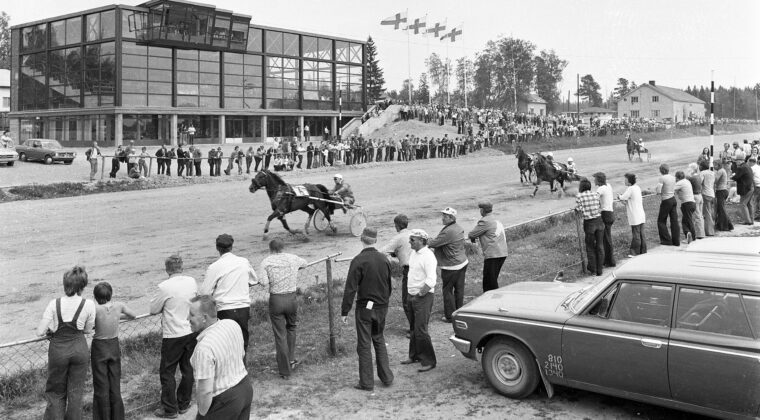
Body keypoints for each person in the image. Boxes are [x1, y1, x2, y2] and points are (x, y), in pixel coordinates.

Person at [36, 265, 96, 420]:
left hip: (58, 350)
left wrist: (51, 328)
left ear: (65, 284)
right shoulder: (88, 304)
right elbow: (88, 330)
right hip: (79, 349)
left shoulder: (53, 304)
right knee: (76, 392)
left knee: (56, 392)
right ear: (82, 286)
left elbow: (39, 332)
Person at [341, 227, 394, 391]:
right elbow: (388, 285)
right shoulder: (384, 259)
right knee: (378, 338)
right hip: (382, 306)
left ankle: (366, 382)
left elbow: (350, 288)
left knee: (364, 344)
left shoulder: (358, 260)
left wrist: (345, 310)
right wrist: (384, 302)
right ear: (376, 240)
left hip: (365, 308)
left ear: (361, 239)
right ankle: (386, 377)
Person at [149, 254, 199, 418]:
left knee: (167, 372)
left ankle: (170, 409)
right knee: (188, 368)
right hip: (190, 330)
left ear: (167, 269)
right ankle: (184, 403)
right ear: (182, 267)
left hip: (172, 335)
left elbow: (154, 309)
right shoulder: (191, 281)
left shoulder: (164, 287)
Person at [188, 295, 253, 420]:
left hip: (224, 400)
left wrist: (202, 414)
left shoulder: (204, 348)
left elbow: (205, 390)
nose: (187, 318)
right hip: (245, 387)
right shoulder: (231, 324)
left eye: (191, 314)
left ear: (204, 318)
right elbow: (241, 355)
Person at [200, 234, 258, 361]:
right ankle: (242, 370)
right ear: (232, 247)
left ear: (217, 248)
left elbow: (205, 292)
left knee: (225, 343)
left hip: (224, 309)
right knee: (242, 341)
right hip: (243, 307)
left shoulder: (214, 267)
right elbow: (254, 280)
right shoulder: (243, 262)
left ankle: (228, 371)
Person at [258, 239, 307, 380]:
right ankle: (291, 359)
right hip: (291, 298)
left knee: (280, 335)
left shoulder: (266, 262)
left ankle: (285, 370)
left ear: (271, 249)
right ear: (283, 247)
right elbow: (305, 263)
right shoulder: (293, 258)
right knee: (292, 327)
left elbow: (264, 282)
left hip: (276, 299)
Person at [91, 282, 136, 420]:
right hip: (113, 345)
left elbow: (89, 324)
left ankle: (103, 417)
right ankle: (117, 416)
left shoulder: (95, 309)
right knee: (115, 382)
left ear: (95, 296)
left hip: (99, 346)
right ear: (111, 294)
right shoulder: (119, 306)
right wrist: (116, 317)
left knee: (101, 384)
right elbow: (132, 315)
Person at [402, 229, 437, 373]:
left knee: (421, 329)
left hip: (422, 297)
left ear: (422, 241)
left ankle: (429, 361)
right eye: (410, 239)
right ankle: (414, 355)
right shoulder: (414, 253)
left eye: (413, 239)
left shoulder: (428, 256)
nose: (410, 242)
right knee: (413, 328)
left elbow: (431, 280)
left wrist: (420, 295)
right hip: (412, 295)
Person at [427, 207, 468, 323]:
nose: (442, 218)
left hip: (451, 265)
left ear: (451, 218)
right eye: (443, 215)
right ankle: (459, 311)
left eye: (445, 216)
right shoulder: (458, 228)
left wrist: (427, 239)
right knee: (459, 289)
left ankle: (450, 316)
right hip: (462, 262)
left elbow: (434, 243)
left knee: (447, 290)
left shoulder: (448, 231)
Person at [380, 214, 413, 338]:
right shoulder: (412, 233)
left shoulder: (398, 238)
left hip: (409, 270)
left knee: (406, 301)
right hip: (418, 268)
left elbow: (382, 251)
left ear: (397, 225)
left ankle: (414, 328)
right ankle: (417, 326)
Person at [467, 201, 509, 293]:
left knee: (489, 281)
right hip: (502, 252)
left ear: (482, 210)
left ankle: (493, 299)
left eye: (480, 209)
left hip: (493, 254)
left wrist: (473, 238)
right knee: (492, 278)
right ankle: (492, 297)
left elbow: (472, 234)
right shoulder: (495, 219)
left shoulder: (484, 221)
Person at [575, 178, 605, 276]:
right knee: (600, 246)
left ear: (581, 187)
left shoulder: (579, 196)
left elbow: (578, 209)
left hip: (589, 223)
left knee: (590, 247)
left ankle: (593, 269)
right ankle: (600, 269)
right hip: (599, 221)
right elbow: (600, 206)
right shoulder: (596, 194)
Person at [617, 173, 646, 257]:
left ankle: (634, 252)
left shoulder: (630, 189)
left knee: (636, 234)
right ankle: (643, 250)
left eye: (625, 180)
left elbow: (623, 197)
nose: (624, 181)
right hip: (640, 213)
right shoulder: (637, 187)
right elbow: (628, 200)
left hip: (635, 214)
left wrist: (619, 196)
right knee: (641, 234)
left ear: (629, 181)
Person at [593, 172, 615, 267]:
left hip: (605, 214)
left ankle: (610, 261)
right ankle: (608, 260)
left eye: (595, 179)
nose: (594, 180)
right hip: (610, 213)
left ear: (598, 180)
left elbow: (594, 199)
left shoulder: (600, 189)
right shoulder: (608, 186)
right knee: (607, 238)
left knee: (606, 239)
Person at [656, 163, 680, 246]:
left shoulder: (662, 178)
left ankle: (666, 240)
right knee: (674, 221)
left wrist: (658, 191)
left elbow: (659, 191)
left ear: (661, 170)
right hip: (673, 199)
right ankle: (676, 241)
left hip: (666, 200)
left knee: (661, 221)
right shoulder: (673, 177)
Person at [674, 170, 697, 243]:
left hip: (687, 204)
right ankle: (687, 233)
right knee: (684, 221)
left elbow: (672, 189)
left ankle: (693, 236)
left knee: (689, 221)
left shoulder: (680, 183)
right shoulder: (687, 181)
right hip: (692, 203)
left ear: (677, 177)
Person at [732, 158, 755, 225]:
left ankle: (747, 221)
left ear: (742, 161)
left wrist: (732, 176)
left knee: (743, 204)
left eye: (737, 161)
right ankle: (751, 219)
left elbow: (736, 177)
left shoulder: (741, 168)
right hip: (751, 187)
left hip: (746, 188)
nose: (736, 162)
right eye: (736, 161)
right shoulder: (748, 166)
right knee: (749, 204)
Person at [714, 159, 734, 231]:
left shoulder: (720, 171)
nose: (714, 166)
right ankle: (724, 225)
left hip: (721, 191)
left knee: (721, 209)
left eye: (715, 165)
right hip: (723, 190)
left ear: (718, 165)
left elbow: (715, 180)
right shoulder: (722, 170)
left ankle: (725, 226)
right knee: (721, 208)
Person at [687, 163, 705, 239]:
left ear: (692, 169)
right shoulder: (698, 176)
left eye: (689, 168)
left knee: (697, 216)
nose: (688, 169)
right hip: (700, 196)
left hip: (695, 196)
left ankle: (700, 234)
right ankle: (701, 232)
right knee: (700, 215)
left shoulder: (691, 178)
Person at [699, 161, 716, 236]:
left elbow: (699, 182)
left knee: (707, 213)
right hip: (712, 193)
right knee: (710, 211)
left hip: (705, 193)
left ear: (702, 167)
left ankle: (709, 231)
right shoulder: (712, 173)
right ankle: (711, 228)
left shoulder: (702, 173)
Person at [751, 157, 760, 221]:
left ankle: (755, 216)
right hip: (757, 185)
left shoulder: (753, 168)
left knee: (755, 201)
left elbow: (751, 177)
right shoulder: (757, 167)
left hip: (757, 186)